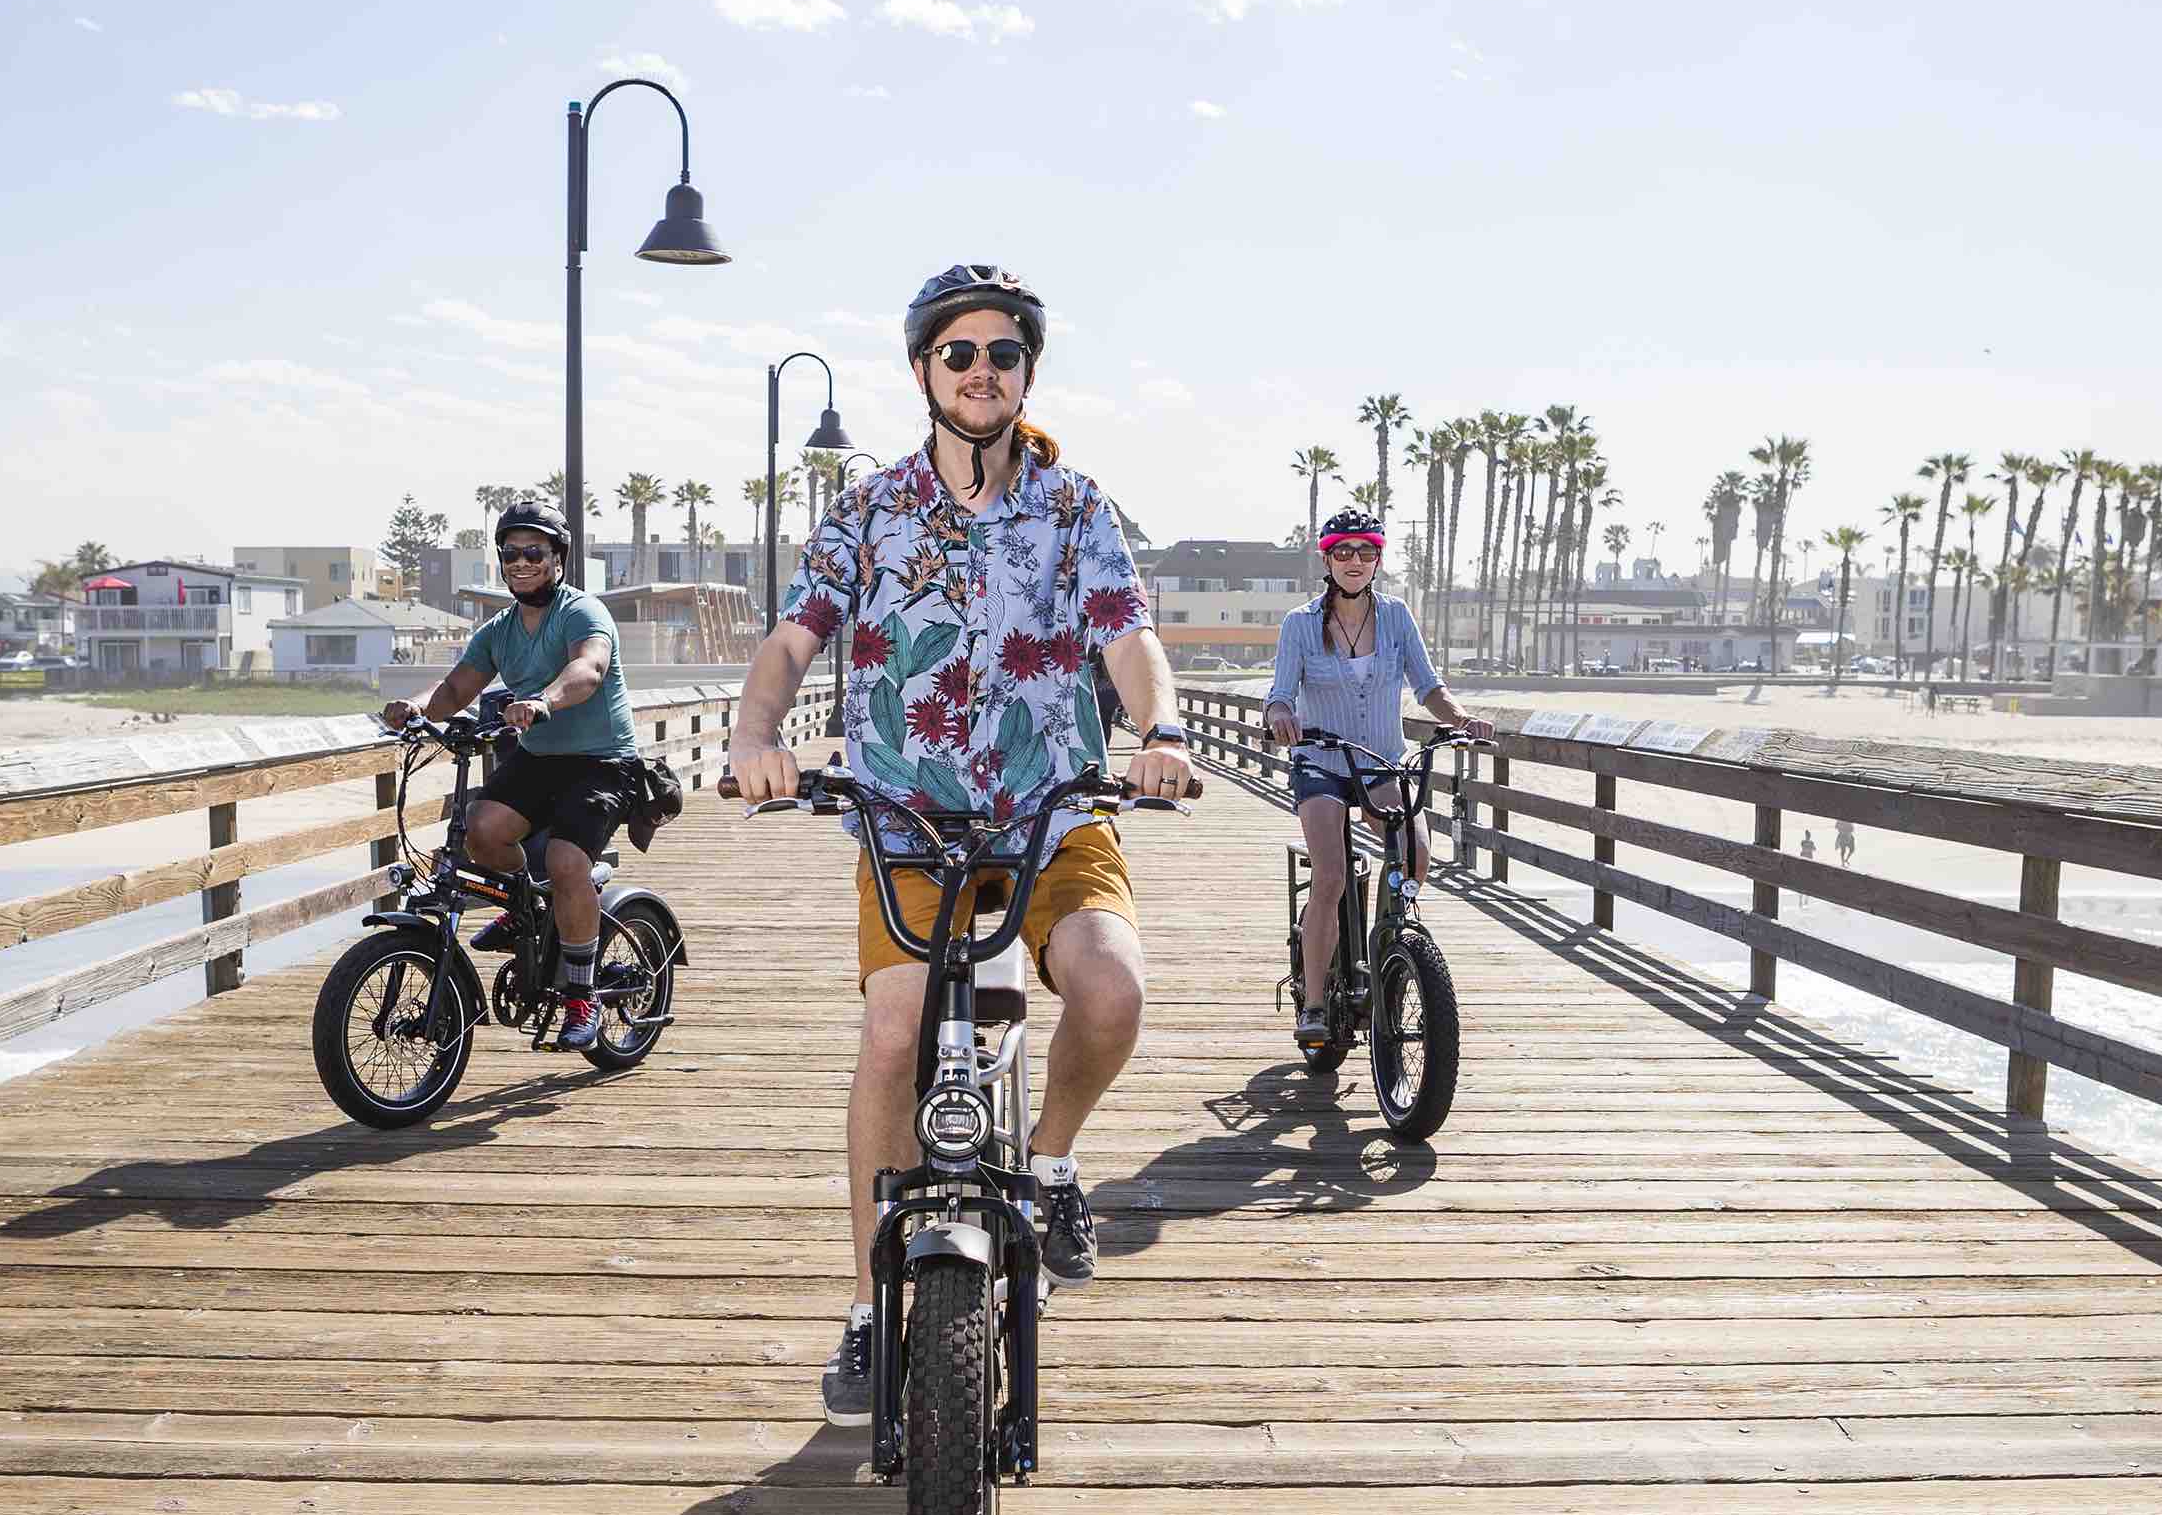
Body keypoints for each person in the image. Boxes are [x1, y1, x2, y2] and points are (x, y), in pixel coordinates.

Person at [723, 262, 1192, 1426]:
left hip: (1051, 803)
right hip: (910, 818)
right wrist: (753, 728)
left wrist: (1162, 726)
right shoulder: (871, 508)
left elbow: (1127, 637)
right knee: (891, 1041)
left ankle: (1049, 1162)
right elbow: (793, 635)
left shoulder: (1076, 507)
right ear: (925, 370)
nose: (982, 371)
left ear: (1027, 368)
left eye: (1003, 353)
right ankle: (871, 1303)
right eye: (960, 353)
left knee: (1113, 991)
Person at [382, 498, 642, 1051]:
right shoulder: (499, 630)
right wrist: (414, 707)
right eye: (510, 553)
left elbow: (588, 669)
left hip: (603, 760)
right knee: (480, 828)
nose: (521, 562)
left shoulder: (582, 613)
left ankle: (581, 994)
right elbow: (455, 689)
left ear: (557, 558)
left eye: (533, 551)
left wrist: (542, 702)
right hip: (541, 757)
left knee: (567, 859)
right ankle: (527, 909)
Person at [1266, 508, 1496, 1050]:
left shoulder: (1396, 617)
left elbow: (1429, 687)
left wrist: (1460, 720)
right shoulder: (1300, 624)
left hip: (1379, 762)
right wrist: (1280, 717)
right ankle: (1317, 1002)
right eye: (1343, 551)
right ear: (1327, 559)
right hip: (1321, 763)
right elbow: (1280, 693)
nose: (1354, 561)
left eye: (1365, 551)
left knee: (1415, 852)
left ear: (1377, 560)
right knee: (1330, 878)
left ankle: (1390, 944)